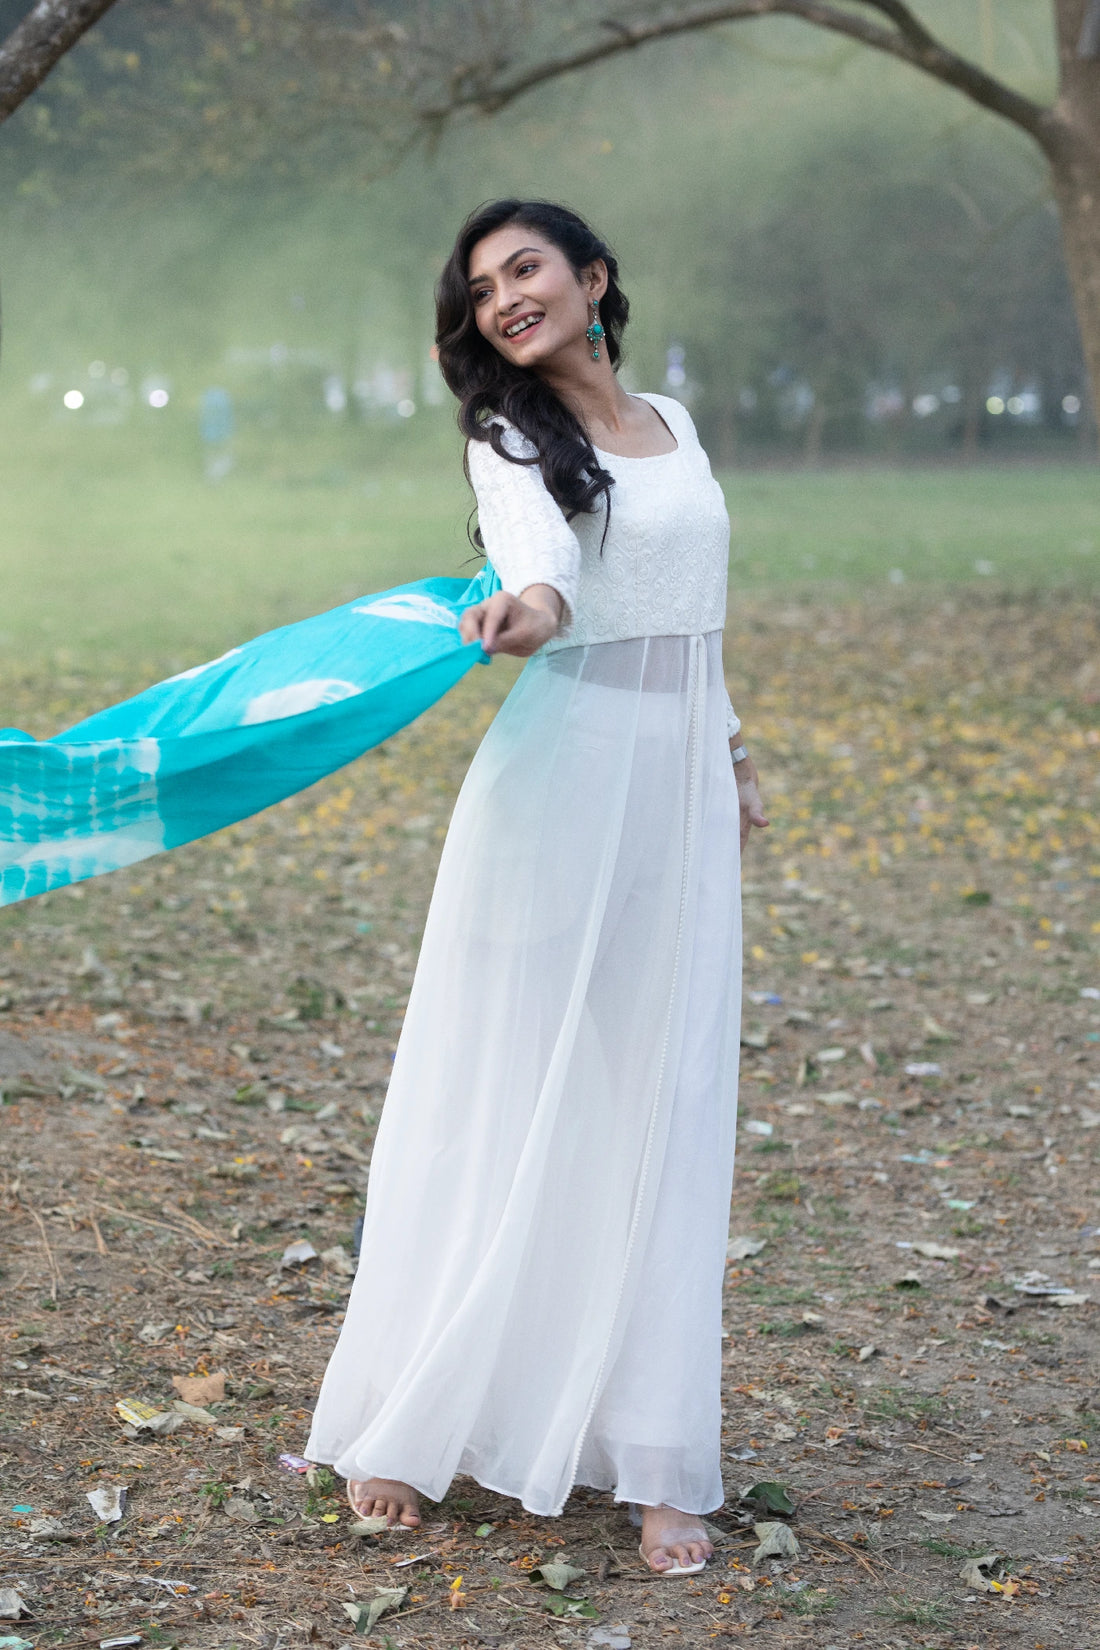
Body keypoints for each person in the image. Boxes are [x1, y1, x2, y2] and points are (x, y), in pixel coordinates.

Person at [305, 198, 768, 1577]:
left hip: (677, 795)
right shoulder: (508, 436)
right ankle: (409, 1411)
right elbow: (546, 560)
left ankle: (657, 1452)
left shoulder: (675, 423)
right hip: (558, 787)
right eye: (484, 285)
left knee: (661, 1102)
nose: (507, 295)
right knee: (498, 1082)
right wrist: (532, 609)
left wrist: (732, 748)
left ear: (593, 277)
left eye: (527, 268)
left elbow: (700, 604)